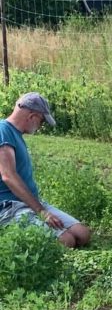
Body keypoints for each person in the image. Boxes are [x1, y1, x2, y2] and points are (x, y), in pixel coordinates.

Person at [0, 92, 91, 248]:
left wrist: (38, 207)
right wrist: (41, 211)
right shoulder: (3, 131)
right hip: (10, 206)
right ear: (32, 116)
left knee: (82, 234)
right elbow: (8, 176)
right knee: (66, 241)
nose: (40, 126)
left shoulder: (16, 134)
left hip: (31, 202)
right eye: (41, 121)